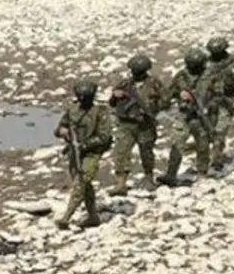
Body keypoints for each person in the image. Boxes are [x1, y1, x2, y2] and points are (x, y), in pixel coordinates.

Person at [53, 79, 113, 229]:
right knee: (84, 184)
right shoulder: (72, 110)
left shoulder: (101, 112)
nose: (82, 100)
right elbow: (60, 127)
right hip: (74, 152)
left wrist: (85, 144)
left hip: (92, 153)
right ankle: (93, 216)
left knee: (80, 183)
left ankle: (67, 216)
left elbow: (105, 136)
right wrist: (63, 132)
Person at [107, 53, 168, 194]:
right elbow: (112, 103)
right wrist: (116, 96)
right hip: (126, 123)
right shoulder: (124, 84)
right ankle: (121, 183)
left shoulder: (154, 83)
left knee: (146, 151)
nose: (135, 74)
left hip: (145, 124)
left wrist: (152, 108)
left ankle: (148, 177)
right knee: (121, 152)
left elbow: (165, 100)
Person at [160, 48, 216, 185]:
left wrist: (205, 101)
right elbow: (168, 94)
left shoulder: (210, 77)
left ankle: (202, 172)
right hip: (184, 115)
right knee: (177, 144)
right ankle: (171, 174)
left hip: (202, 116)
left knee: (203, 145)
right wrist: (178, 96)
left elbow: (218, 95)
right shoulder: (181, 76)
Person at [205, 36, 234, 171]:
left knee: (220, 130)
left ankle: (216, 158)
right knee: (208, 128)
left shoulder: (233, 63)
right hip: (208, 101)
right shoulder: (206, 63)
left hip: (226, 100)